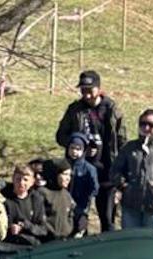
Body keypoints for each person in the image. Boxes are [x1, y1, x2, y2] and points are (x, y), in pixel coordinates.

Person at [54, 71, 127, 232]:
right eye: (83, 90)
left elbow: (122, 141)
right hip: (80, 171)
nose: (86, 95)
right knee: (78, 216)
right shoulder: (75, 110)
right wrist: (77, 144)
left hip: (107, 171)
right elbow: (60, 136)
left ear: (99, 89)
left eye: (90, 90)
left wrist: (121, 169)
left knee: (107, 218)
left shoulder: (112, 110)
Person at [65, 133, 99, 235]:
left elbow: (94, 188)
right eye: (72, 148)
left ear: (83, 150)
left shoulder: (89, 169)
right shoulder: (63, 165)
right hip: (63, 206)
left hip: (80, 206)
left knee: (79, 230)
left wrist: (86, 201)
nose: (74, 151)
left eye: (78, 149)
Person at [2, 164, 38, 242]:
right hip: (9, 243)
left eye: (25, 180)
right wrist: (10, 228)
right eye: (18, 179)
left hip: (31, 243)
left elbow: (43, 229)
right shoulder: (4, 199)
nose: (21, 183)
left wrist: (26, 226)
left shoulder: (36, 199)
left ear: (32, 182)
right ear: (13, 179)